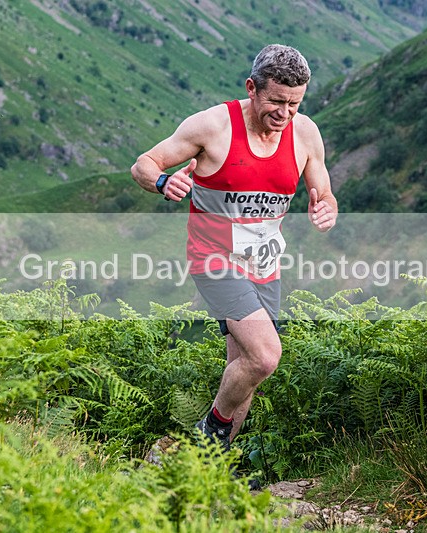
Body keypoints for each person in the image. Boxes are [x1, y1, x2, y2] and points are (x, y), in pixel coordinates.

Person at [131, 44, 337, 453]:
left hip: (264, 263)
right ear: (252, 88)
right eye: (276, 102)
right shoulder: (212, 126)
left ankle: (209, 467)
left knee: (244, 371)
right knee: (265, 356)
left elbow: (325, 192)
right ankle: (207, 433)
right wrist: (163, 182)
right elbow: (144, 164)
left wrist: (326, 208)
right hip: (214, 258)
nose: (284, 114)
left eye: (294, 104)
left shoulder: (305, 133)